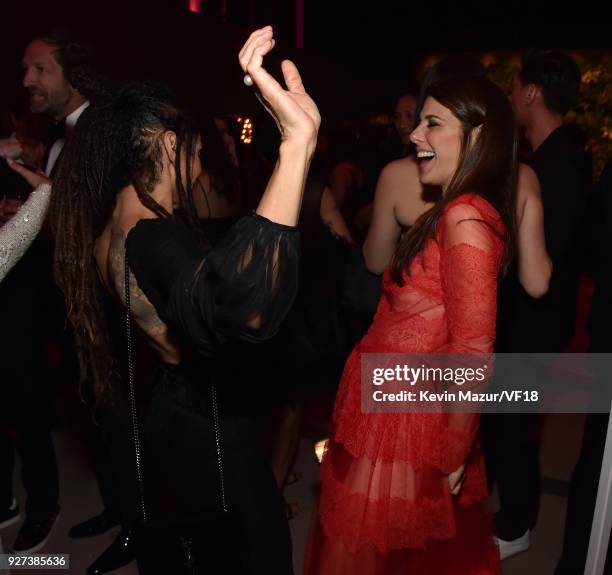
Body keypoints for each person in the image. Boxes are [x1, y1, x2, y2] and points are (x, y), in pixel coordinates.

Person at [43, 26, 319, 573]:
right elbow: (246, 307)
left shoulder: (113, 225)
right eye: (195, 148)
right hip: (213, 432)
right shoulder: (153, 234)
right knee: (254, 553)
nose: (200, 162)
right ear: (171, 144)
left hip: (173, 414)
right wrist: (297, 145)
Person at [304, 75, 517, 574]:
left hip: (404, 418)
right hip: (395, 404)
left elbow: (472, 347)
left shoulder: (465, 215)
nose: (416, 134)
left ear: (477, 137)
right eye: (419, 121)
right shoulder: (452, 208)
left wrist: (454, 452)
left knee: (362, 551)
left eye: (433, 123)